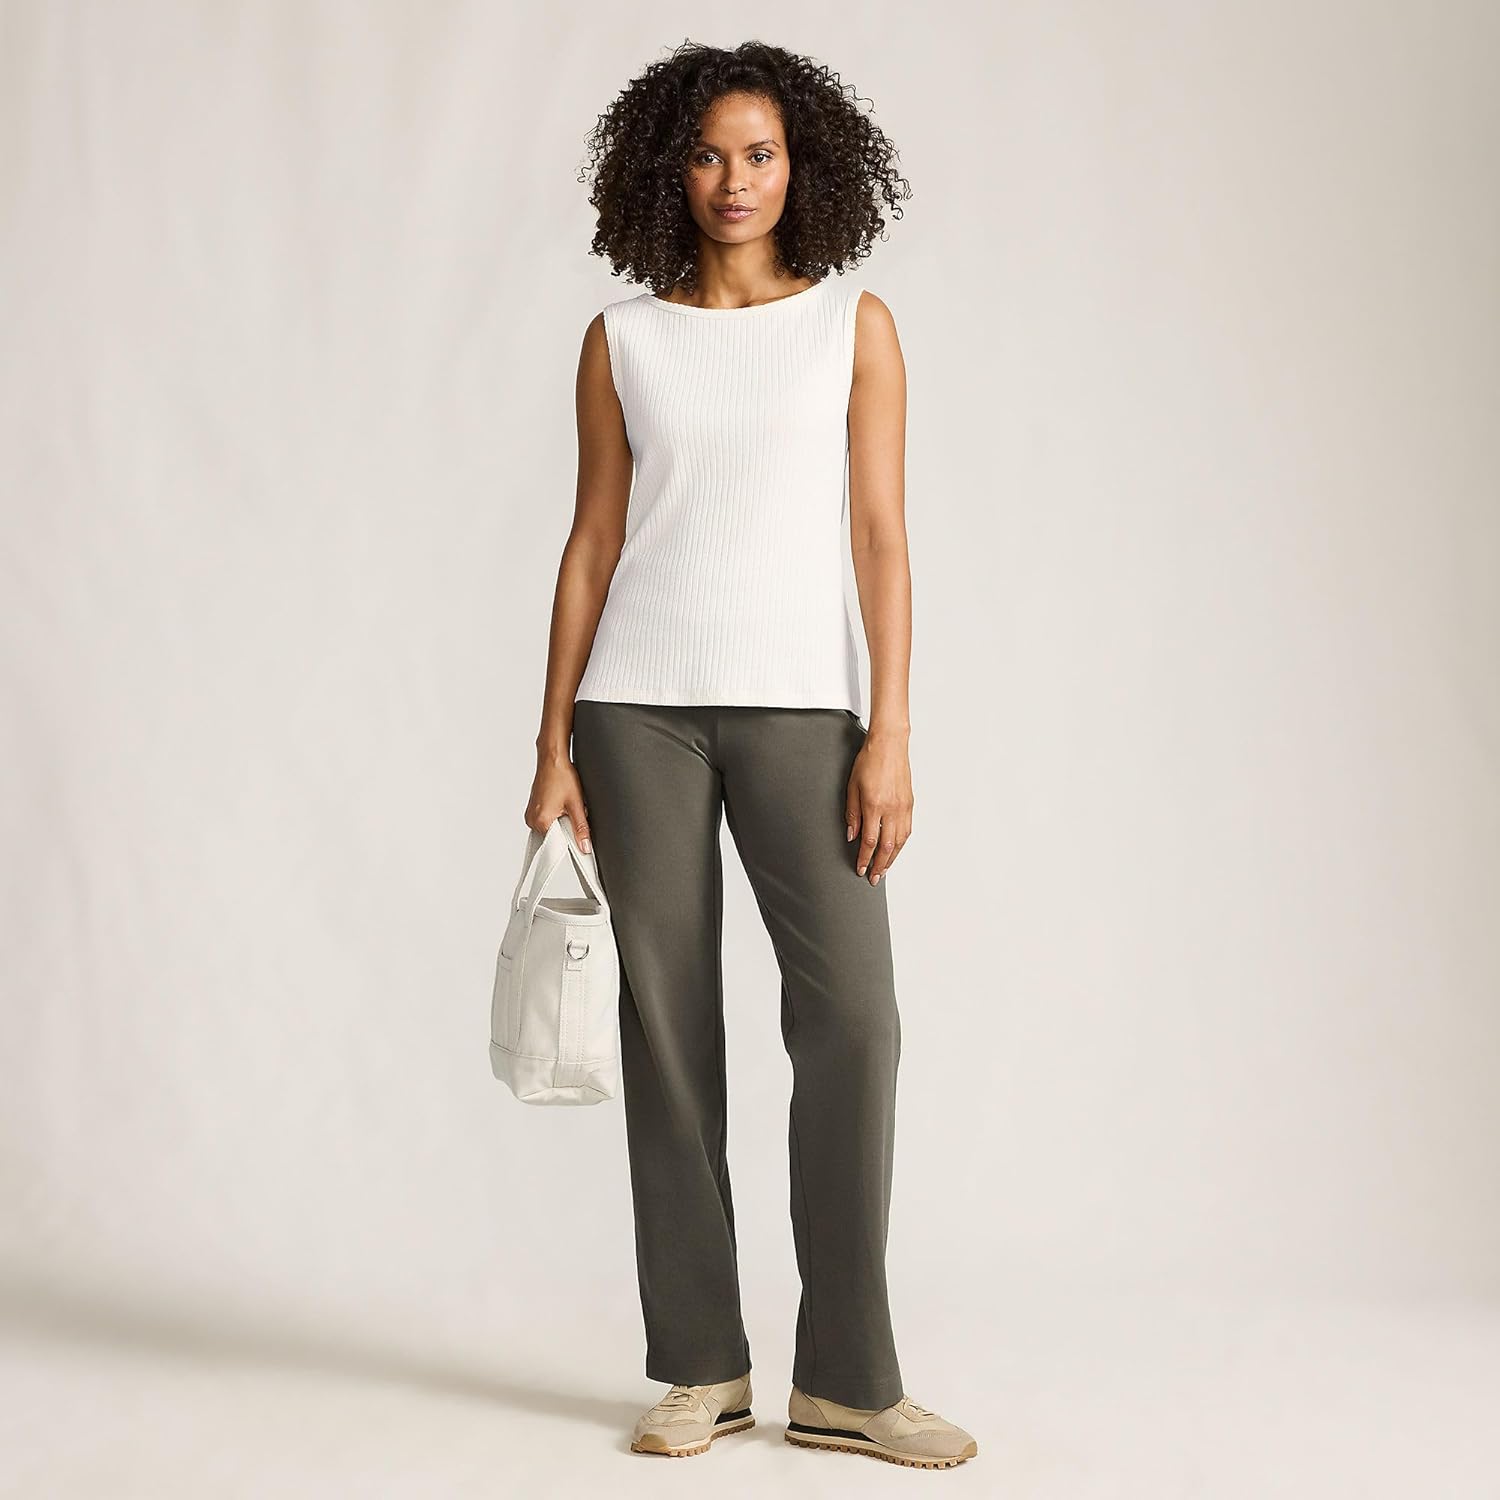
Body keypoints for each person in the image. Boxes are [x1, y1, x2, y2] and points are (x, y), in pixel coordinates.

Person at [526, 40, 978, 1470]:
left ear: (802, 167)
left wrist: (889, 730)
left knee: (854, 1023)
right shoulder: (624, 340)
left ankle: (847, 1378)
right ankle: (701, 1367)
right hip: (637, 711)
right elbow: (594, 541)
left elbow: (882, 539)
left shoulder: (853, 325)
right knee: (668, 1037)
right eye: (710, 154)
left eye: (762, 154)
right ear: (669, 169)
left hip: (803, 711)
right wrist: (552, 740)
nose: (735, 180)